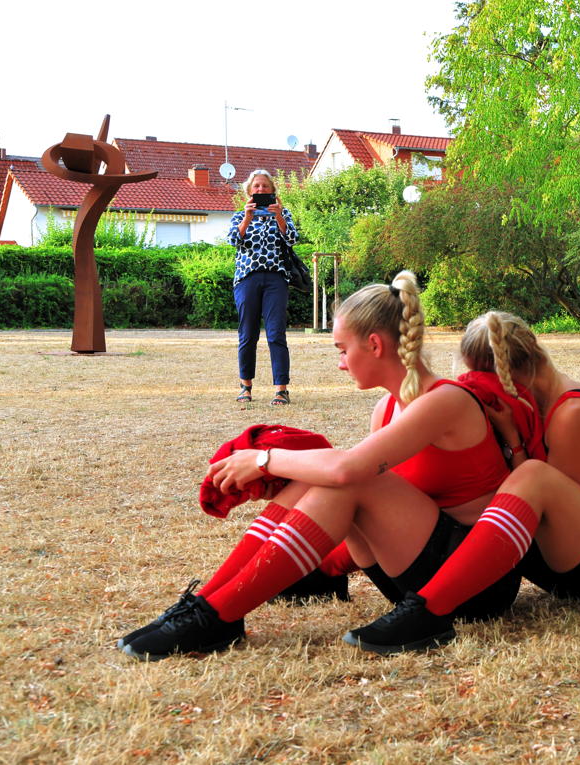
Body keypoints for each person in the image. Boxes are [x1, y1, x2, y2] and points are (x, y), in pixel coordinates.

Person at [118, 272, 518, 660]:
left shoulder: (444, 401)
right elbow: (355, 490)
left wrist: (263, 459)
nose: (341, 363)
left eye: (343, 350)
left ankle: (217, 615)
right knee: (319, 480)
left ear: (375, 345)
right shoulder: (387, 408)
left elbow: (347, 473)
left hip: (476, 585)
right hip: (413, 576)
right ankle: (209, 605)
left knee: (347, 478)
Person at [342, 310, 580, 654]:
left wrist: (510, 442)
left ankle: (428, 609)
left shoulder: (573, 412)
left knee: (531, 477)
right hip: (556, 562)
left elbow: (548, 510)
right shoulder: (518, 406)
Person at [227, 169, 297, 406]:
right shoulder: (239, 216)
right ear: (249, 191)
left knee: (276, 333)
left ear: (273, 190)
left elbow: (292, 240)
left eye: (265, 187)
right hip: (247, 278)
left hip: (276, 278)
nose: (260, 190)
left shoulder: (284, 213)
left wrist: (278, 217)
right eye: (256, 186)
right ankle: (245, 386)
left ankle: (281, 389)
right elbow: (233, 241)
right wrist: (247, 218)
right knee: (248, 334)